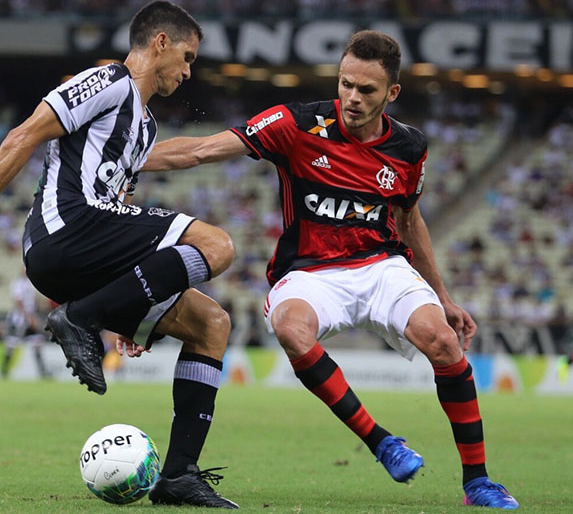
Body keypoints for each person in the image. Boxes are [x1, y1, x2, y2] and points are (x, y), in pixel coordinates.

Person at [144, 30, 519, 509]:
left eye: (366, 90)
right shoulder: (295, 124)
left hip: (382, 266)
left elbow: (409, 221)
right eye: (345, 84)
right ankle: (382, 441)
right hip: (310, 271)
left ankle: (478, 483)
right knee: (291, 328)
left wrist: (443, 298)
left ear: (392, 93)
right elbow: (202, 150)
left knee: (444, 343)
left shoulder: (409, 147)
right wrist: (123, 159)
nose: (352, 98)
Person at [0, 0, 238, 509]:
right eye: (187, 55)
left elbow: (126, 202)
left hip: (90, 249)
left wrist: (126, 306)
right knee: (216, 245)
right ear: (160, 43)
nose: (188, 70)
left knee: (211, 324)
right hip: (66, 228)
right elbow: (22, 135)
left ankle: (179, 476)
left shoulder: (145, 126)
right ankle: (81, 317)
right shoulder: (107, 80)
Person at [2, 270, 49, 378]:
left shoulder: (30, 282)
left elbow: (33, 301)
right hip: (19, 319)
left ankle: (42, 371)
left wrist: (35, 313)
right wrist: (29, 317)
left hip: (30, 317)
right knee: (12, 343)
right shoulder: (17, 283)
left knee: (37, 341)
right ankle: (4, 370)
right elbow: (18, 301)